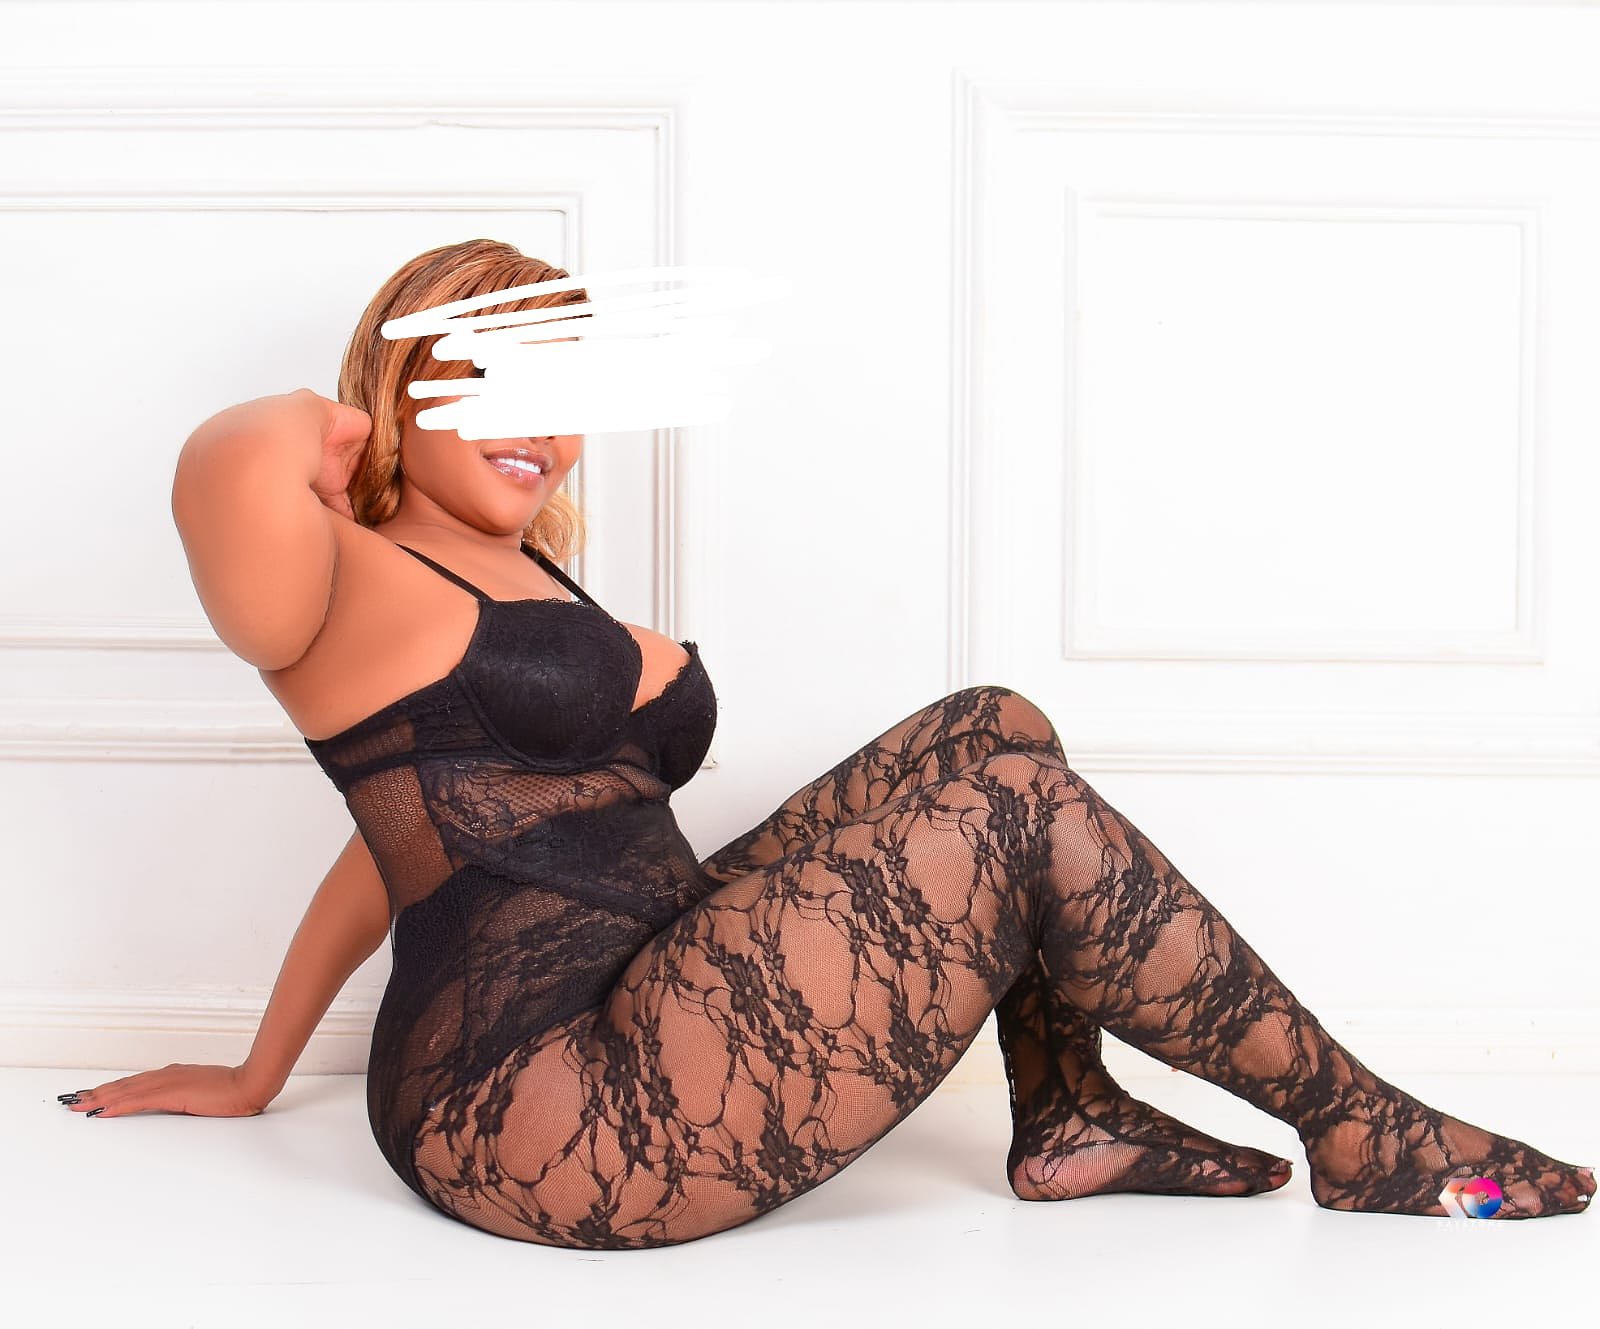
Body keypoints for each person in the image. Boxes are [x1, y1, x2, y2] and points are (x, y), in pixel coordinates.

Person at [60, 240, 1594, 1250]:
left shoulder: (528, 575)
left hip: (650, 982)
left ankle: (1068, 1117)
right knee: (1008, 808)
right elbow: (232, 463)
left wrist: (263, 1062)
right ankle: (1358, 1125)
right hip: (530, 1099)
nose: (548, 419)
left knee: (997, 728)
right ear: (403, 379)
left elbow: (407, 843)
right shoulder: (341, 577)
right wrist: (346, 414)